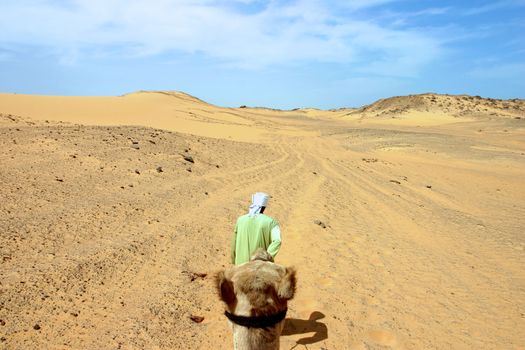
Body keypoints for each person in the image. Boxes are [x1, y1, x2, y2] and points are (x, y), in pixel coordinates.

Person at [231, 192, 281, 265]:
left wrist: (233, 260)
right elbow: (277, 240)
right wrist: (266, 257)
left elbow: (234, 243)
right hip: (259, 265)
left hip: (240, 264)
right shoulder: (271, 222)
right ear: (264, 207)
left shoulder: (240, 220)